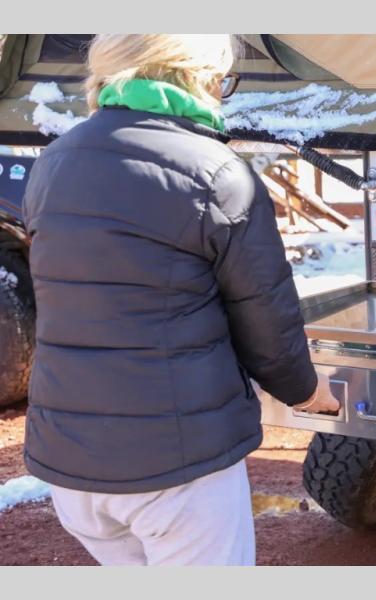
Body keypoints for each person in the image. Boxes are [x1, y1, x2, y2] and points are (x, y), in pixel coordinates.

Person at [21, 34, 339, 566]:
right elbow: (266, 320)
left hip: (69, 460)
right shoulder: (215, 172)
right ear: (195, 76)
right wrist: (307, 393)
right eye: (222, 80)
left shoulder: (54, 160)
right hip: (178, 466)